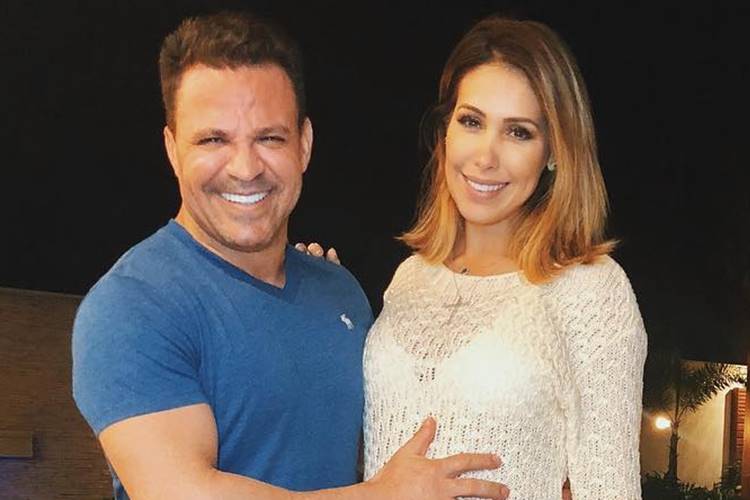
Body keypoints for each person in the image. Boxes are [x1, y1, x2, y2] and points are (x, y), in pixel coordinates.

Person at [71, 11, 509, 500]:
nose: (245, 168)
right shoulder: (130, 307)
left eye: (269, 138)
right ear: (173, 149)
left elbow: (384, 448)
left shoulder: (338, 292)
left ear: (304, 145)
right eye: (213, 139)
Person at [360, 16, 648, 500]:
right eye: (471, 122)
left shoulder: (590, 290)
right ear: (445, 131)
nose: (486, 156)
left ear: (554, 151)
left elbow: (610, 489)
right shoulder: (410, 276)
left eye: (518, 132)